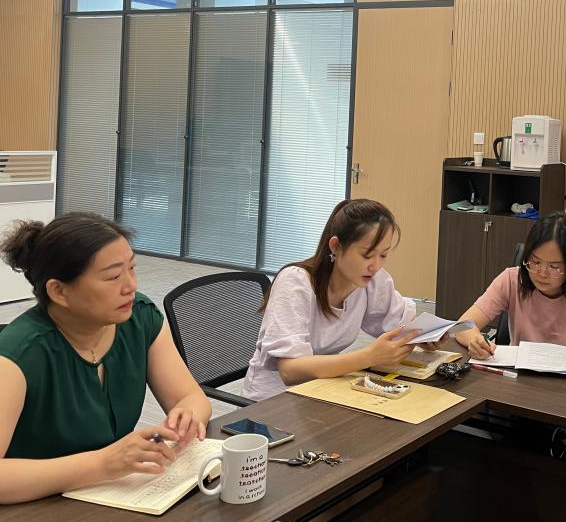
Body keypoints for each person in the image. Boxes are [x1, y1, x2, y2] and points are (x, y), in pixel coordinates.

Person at [0, 213, 211, 505]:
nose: (130, 286)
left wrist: (187, 416)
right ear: (58, 291)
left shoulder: (138, 318)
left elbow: (191, 398)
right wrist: (102, 464)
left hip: (109, 496)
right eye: (113, 277)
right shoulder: (17, 355)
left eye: (132, 269)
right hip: (36, 506)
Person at [243, 198, 426, 400]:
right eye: (367, 255)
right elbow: (290, 370)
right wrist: (369, 357)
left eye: (383, 255)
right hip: (274, 401)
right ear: (336, 246)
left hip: (322, 391)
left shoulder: (371, 280)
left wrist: (424, 335)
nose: (375, 266)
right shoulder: (296, 282)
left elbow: (400, 323)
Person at [454, 212, 566, 369]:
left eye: (554, 267)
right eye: (535, 262)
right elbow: (462, 327)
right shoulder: (511, 280)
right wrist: (475, 341)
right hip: (517, 377)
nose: (542, 273)